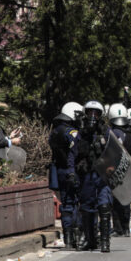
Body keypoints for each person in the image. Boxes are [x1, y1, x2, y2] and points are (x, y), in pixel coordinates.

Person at [75, 100, 114, 252]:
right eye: (90, 112)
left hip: (102, 174)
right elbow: (75, 153)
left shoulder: (105, 131)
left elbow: (115, 152)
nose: (93, 115)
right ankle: (90, 240)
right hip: (87, 174)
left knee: (104, 206)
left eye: (96, 113)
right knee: (86, 208)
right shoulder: (80, 131)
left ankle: (105, 241)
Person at [48, 102, 83, 249]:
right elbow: (77, 150)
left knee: (66, 203)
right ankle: (77, 235)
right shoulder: (71, 133)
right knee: (77, 202)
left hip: (59, 171)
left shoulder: (55, 131)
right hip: (72, 171)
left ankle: (68, 237)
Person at [106, 102, 131, 237]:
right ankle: (126, 227)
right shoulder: (130, 134)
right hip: (128, 169)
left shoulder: (112, 133)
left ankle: (118, 228)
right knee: (125, 199)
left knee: (115, 200)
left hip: (115, 170)